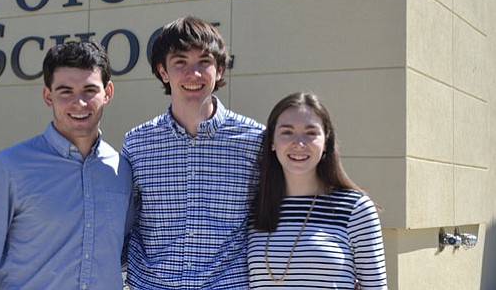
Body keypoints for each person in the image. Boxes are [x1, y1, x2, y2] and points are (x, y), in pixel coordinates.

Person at [0, 41, 132, 290]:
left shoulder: (121, 171)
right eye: (65, 91)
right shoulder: (9, 168)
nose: (79, 103)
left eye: (89, 90)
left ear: (108, 93)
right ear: (48, 96)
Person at [122, 16, 265, 290]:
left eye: (204, 62)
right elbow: (122, 223)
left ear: (220, 70)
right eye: (180, 62)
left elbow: (281, 211)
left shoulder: (255, 140)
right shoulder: (137, 144)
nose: (193, 74)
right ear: (163, 71)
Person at [248, 92, 388, 289]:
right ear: (272, 141)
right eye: (287, 132)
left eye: (311, 132)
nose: (299, 143)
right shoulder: (253, 208)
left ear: (325, 142)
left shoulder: (355, 209)